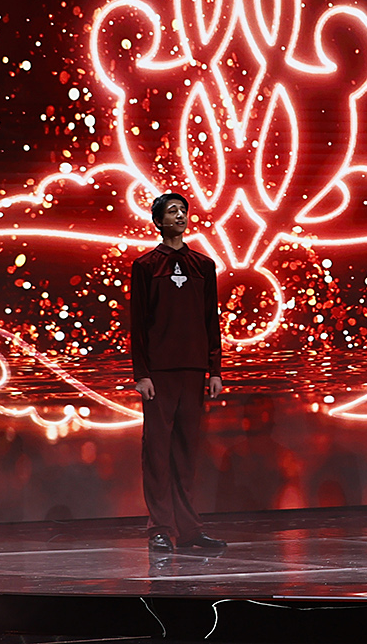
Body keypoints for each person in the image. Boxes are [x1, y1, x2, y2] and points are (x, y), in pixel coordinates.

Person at [127, 192, 226, 554]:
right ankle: (160, 528)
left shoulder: (203, 265)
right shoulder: (146, 266)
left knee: (186, 451)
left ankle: (188, 530)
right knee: (157, 451)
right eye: (172, 211)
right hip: (159, 373)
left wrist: (214, 369)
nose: (180, 215)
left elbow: (211, 320)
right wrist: (142, 373)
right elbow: (138, 324)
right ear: (158, 221)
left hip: (194, 370)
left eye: (183, 210)